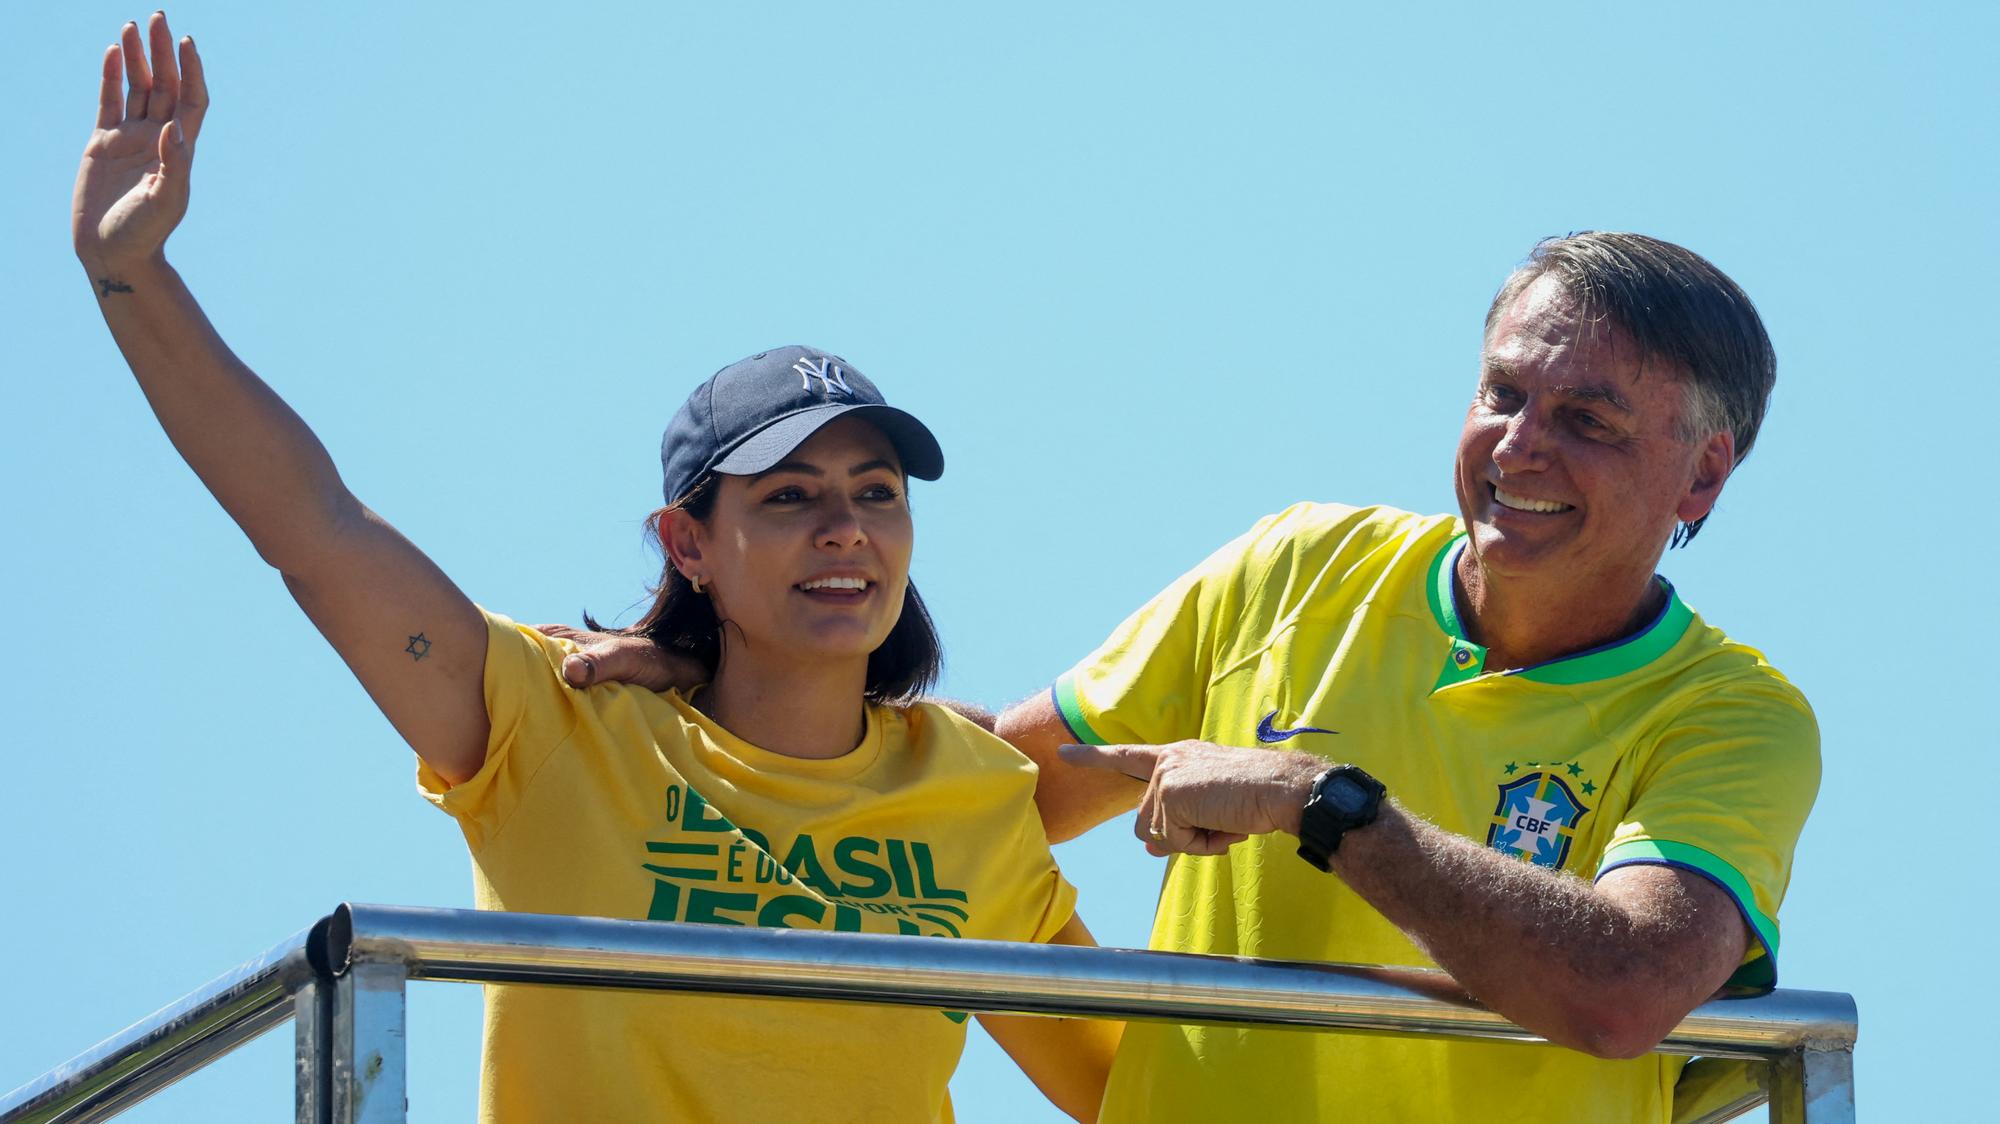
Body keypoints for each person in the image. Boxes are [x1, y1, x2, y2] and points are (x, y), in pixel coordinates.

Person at [70, 13, 1115, 1123]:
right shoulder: (553, 726)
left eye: (875, 493)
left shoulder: (973, 792)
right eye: (789, 495)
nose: (845, 528)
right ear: (688, 544)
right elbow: (315, 528)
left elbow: (1139, 1085)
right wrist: (132, 277)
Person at [569, 232, 1821, 1122]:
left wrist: (1321, 803)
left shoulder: (1731, 714)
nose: (1517, 444)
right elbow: (998, 788)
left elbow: (1623, 989)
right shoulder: (1300, 564)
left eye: (1587, 419)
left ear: (1702, 476)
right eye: (1500, 391)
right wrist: (740, 660)